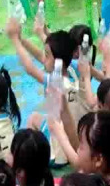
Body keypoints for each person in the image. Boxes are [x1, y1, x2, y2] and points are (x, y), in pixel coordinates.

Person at [6, 17, 82, 167]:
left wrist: (15, 39)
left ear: (57, 61)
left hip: (59, 153)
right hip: (74, 142)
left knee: (33, 119)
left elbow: (30, 68)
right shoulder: (73, 71)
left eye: (47, 55)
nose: (43, 58)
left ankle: (23, 157)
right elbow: (43, 57)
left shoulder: (55, 82)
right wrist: (22, 40)